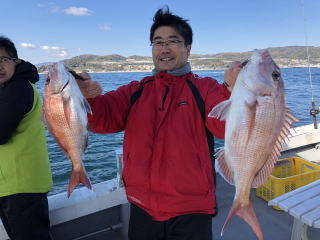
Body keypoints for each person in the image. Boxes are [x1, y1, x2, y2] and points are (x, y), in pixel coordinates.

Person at [77, 7, 243, 240]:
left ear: (188, 48)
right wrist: (84, 95)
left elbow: (225, 126)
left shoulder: (205, 88)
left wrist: (233, 90)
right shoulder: (135, 90)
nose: (164, 48)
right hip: (142, 206)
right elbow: (102, 119)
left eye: (173, 41)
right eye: (158, 42)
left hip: (191, 209)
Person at [0, 36, 53, 240]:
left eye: (3, 59)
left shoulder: (18, 88)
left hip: (22, 187)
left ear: (16, 61)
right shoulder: (9, 88)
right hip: (14, 185)